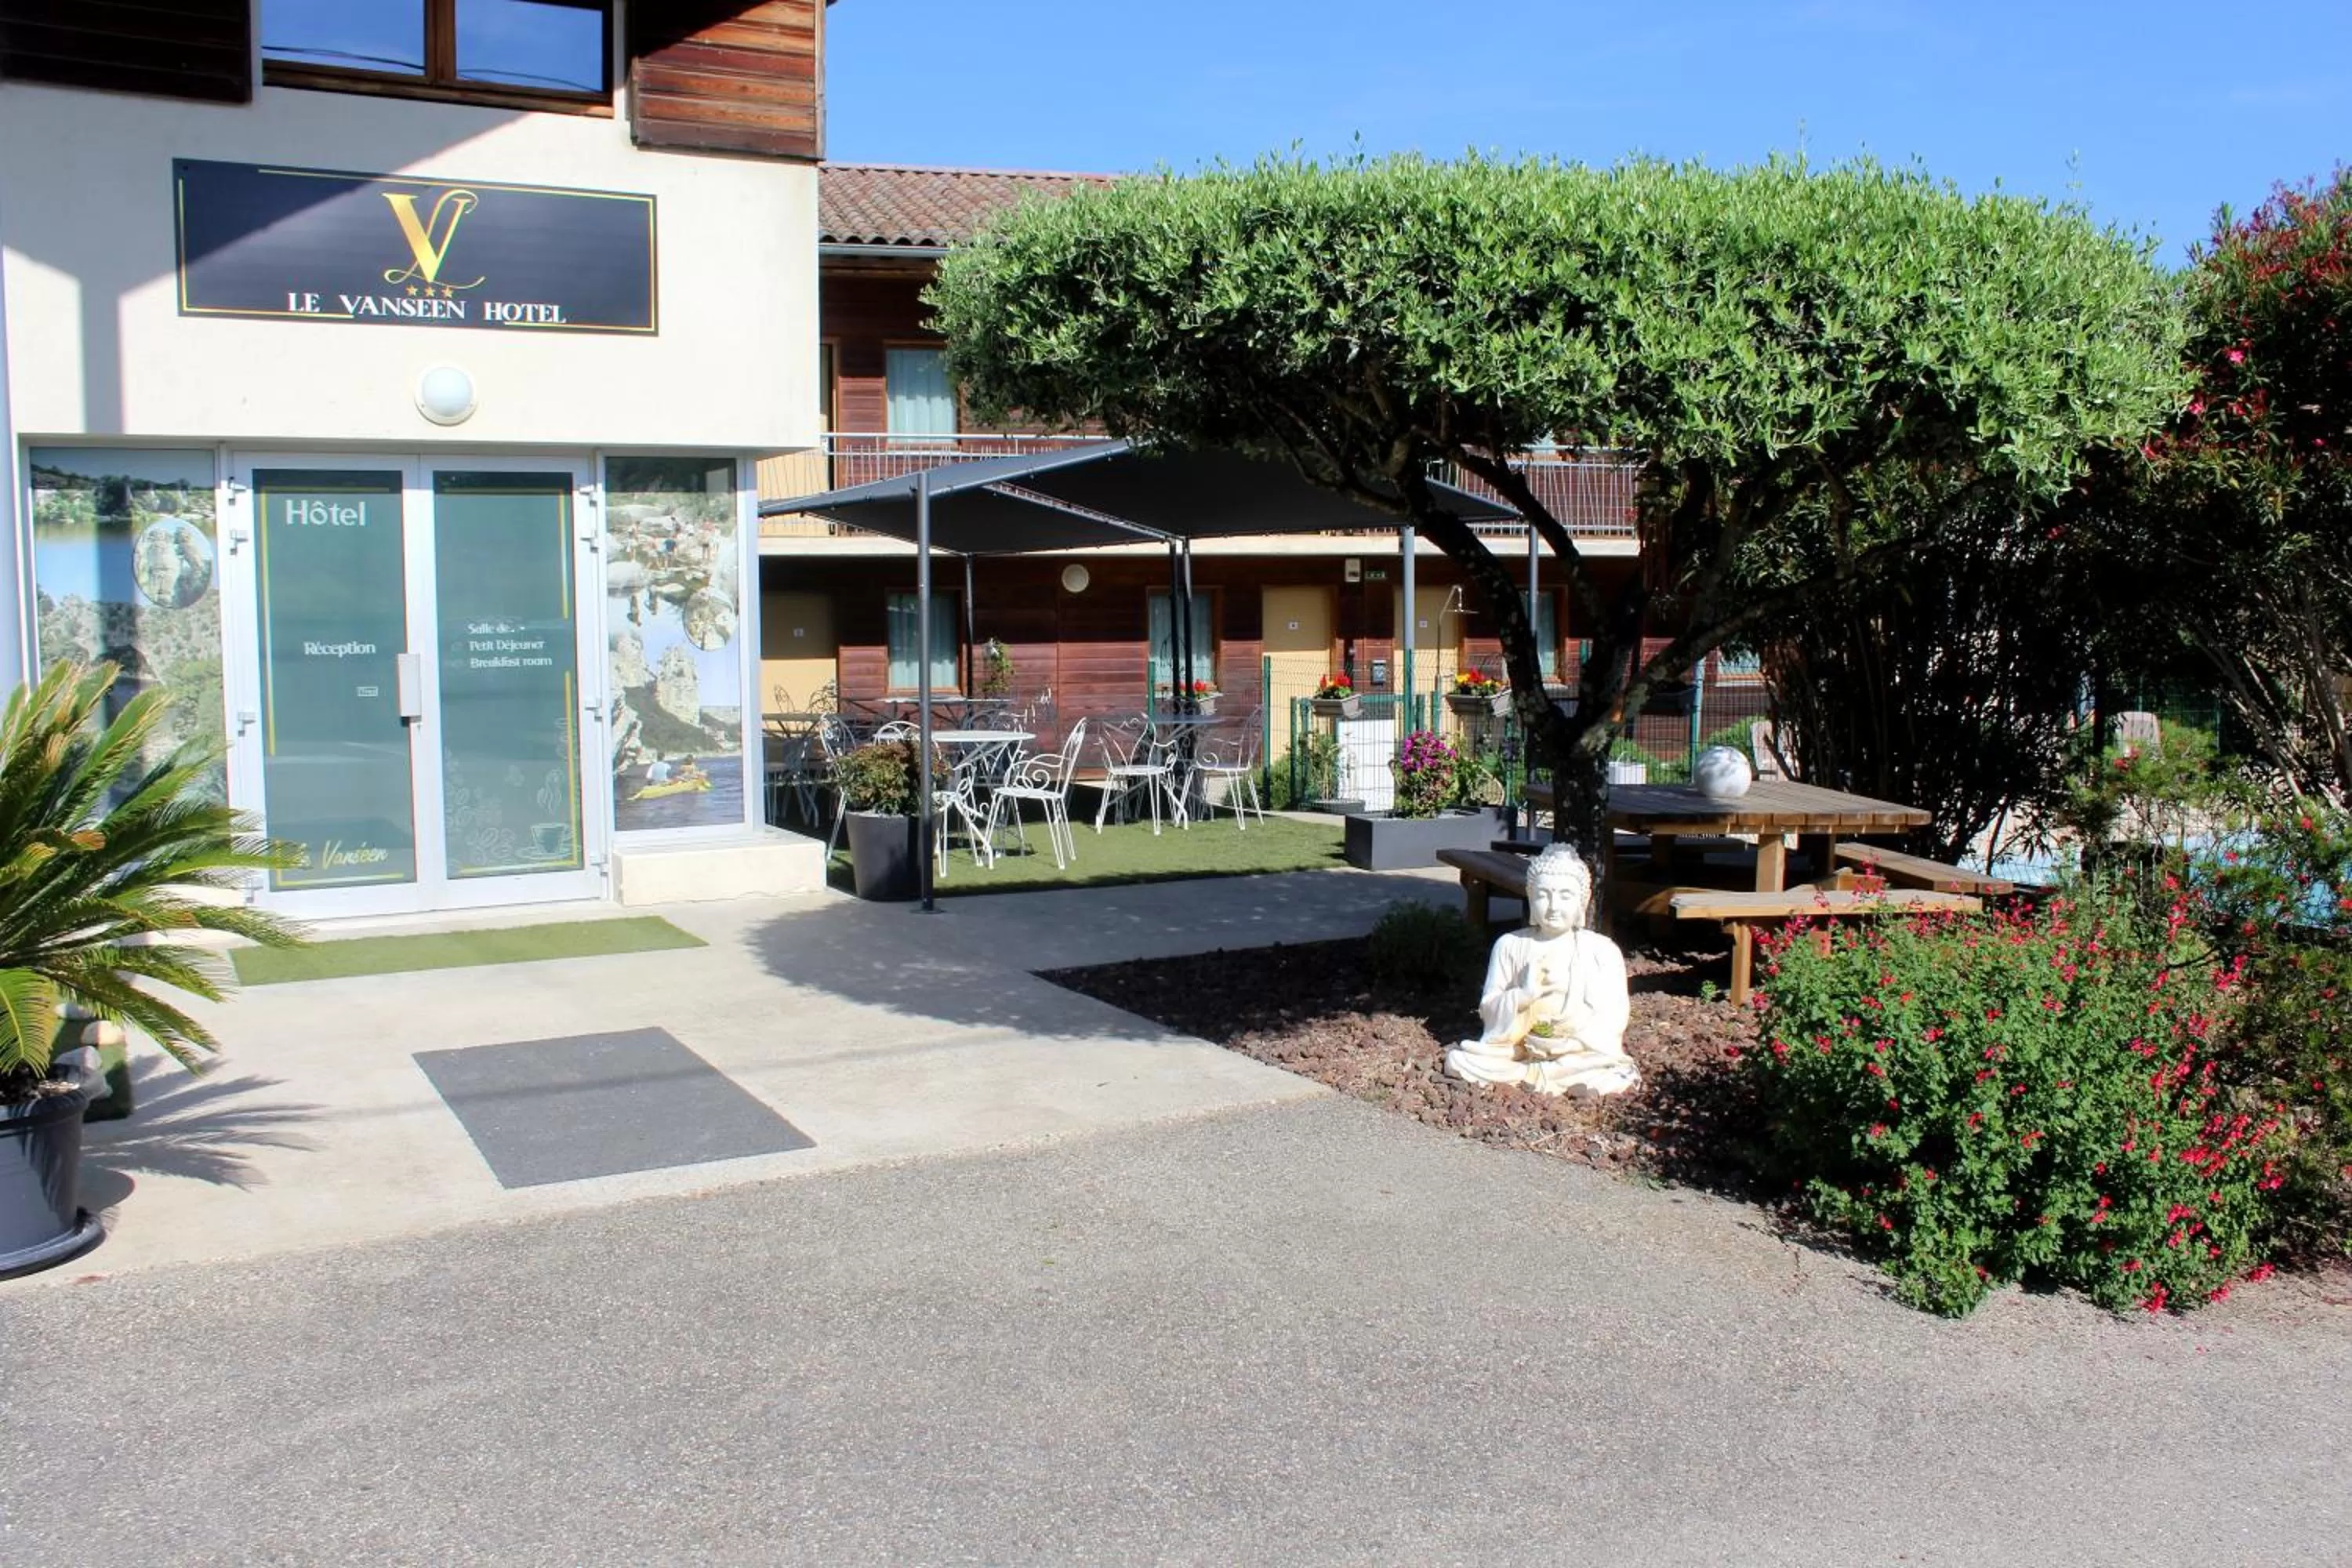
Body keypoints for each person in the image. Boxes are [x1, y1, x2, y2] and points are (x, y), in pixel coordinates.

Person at [1445, 844, 1639, 1098]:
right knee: (1463, 1060)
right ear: (1530, 895)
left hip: (1578, 1055)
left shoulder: (1602, 951)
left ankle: (1540, 1078)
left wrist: (1570, 1043)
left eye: (1566, 896)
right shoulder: (1510, 945)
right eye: (1544, 895)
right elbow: (1489, 1009)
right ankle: (1540, 1078)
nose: (1553, 906)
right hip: (1519, 1049)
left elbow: (1613, 1018)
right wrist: (1521, 997)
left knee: (1618, 1074)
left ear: (1584, 900)